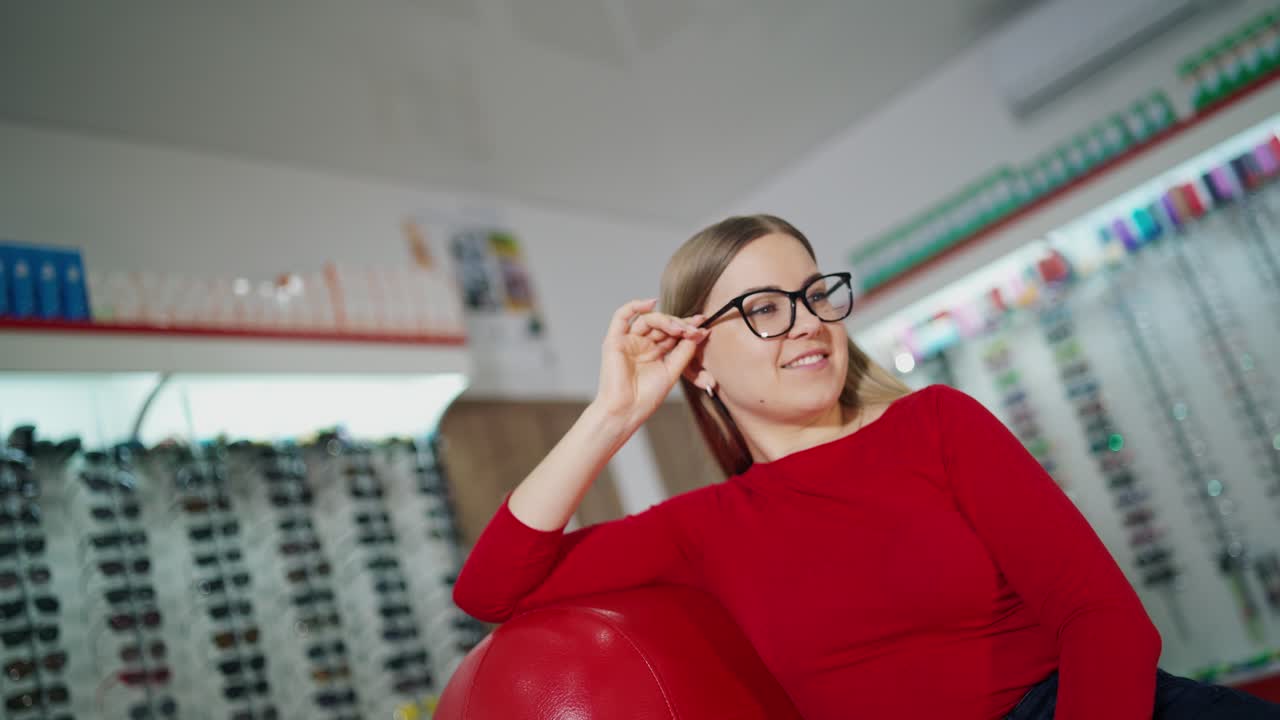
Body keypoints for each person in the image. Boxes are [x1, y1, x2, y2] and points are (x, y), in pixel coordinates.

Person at [453, 214, 1280, 719]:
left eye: (816, 295)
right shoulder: (703, 531)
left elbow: (1103, 620)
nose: (808, 323)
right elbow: (490, 588)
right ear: (696, 360)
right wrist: (615, 413)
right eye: (765, 310)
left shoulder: (935, 425)